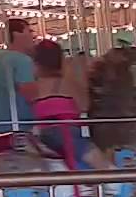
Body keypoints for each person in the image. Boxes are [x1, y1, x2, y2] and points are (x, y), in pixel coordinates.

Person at [31, 39, 101, 168]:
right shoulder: (69, 83)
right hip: (66, 133)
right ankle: (113, 178)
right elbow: (84, 106)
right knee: (96, 159)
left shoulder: (34, 86)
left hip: (44, 135)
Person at [0, 18, 38, 133]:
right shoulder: (21, 60)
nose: (32, 36)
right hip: (19, 128)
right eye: (29, 31)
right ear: (17, 34)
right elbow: (32, 96)